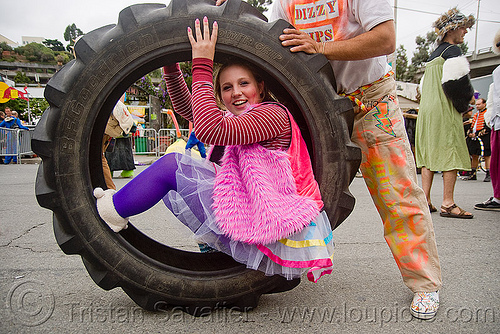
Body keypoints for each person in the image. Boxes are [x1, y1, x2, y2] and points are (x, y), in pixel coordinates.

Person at [226, 0, 444, 320]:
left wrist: (322, 47)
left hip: (370, 100)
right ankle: (288, 258)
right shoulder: (286, 3)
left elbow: (385, 38)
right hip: (317, 104)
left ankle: (425, 283)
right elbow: (268, 42)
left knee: (398, 194)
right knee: (292, 185)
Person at [94, 17, 335, 283]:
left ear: (261, 87)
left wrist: (202, 63)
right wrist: (170, 66)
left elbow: (211, 129)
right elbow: (190, 110)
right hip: (257, 211)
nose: (236, 93)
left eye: (244, 83)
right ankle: (221, 247)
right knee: (189, 168)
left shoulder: (271, 115)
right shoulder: (238, 121)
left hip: (278, 219)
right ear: (219, 95)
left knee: (172, 165)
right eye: (227, 88)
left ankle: (111, 212)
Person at [415, 8, 475, 221]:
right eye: (463, 28)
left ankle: (425, 199)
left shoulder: (432, 56)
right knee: (451, 148)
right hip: (443, 108)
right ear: (452, 30)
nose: (465, 32)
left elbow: (422, 88)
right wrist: (466, 103)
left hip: (427, 111)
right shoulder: (452, 52)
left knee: (428, 153)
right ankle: (448, 203)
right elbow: (456, 84)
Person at [474, 29, 500, 211]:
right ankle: (497, 196)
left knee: (492, 156)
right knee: (495, 157)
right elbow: (494, 99)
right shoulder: (497, 72)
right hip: (497, 122)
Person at [466, 98, 491, 182]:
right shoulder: (476, 114)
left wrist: (477, 134)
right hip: (474, 138)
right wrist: (470, 132)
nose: (477, 106)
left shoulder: (487, 113)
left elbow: (487, 127)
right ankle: (473, 173)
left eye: (479, 104)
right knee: (474, 155)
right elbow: (472, 125)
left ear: (484, 104)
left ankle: (488, 173)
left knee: (486, 155)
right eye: (476, 104)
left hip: (484, 137)